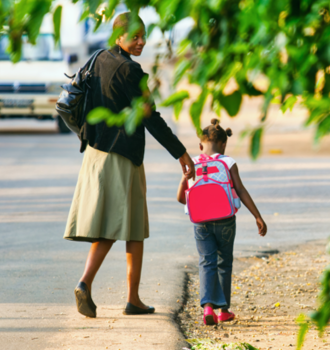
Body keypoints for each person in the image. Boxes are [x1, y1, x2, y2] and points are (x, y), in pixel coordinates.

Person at [63, 12, 195, 318]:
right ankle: (112, 292)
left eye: (143, 35)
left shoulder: (96, 61)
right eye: (134, 36)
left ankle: (110, 289)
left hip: (95, 156)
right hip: (123, 158)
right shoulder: (131, 72)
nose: (141, 42)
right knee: (132, 228)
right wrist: (181, 153)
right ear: (118, 37)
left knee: (116, 226)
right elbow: (151, 118)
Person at [176, 119, 267, 325]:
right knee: (224, 263)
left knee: (206, 262)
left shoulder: (192, 163)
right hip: (226, 220)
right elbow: (241, 190)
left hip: (201, 223)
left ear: (200, 146)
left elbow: (181, 198)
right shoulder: (228, 162)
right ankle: (224, 311)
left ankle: (207, 307)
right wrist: (257, 216)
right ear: (224, 144)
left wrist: (185, 178)